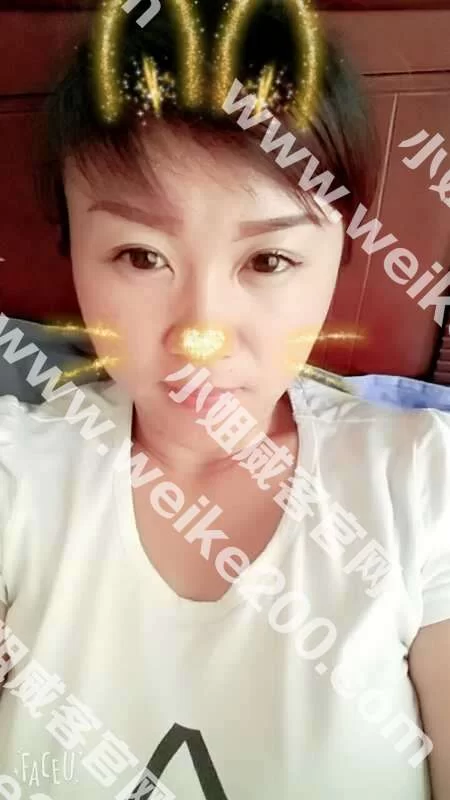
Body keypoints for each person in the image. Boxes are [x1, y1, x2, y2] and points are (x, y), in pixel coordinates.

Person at [0, 1, 449, 798]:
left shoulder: (421, 484)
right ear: (73, 251)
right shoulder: (17, 476)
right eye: (141, 256)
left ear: (342, 253)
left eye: (268, 261)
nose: (201, 335)